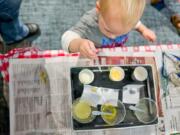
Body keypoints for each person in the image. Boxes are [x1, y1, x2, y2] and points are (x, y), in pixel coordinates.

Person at [61, 0, 156, 59]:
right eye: (108, 30)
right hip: (92, 55)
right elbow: (66, 38)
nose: (113, 37)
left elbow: (136, 24)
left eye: (121, 33)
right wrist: (79, 44)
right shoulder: (89, 21)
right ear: (99, 9)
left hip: (115, 53)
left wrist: (143, 30)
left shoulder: (127, 21)